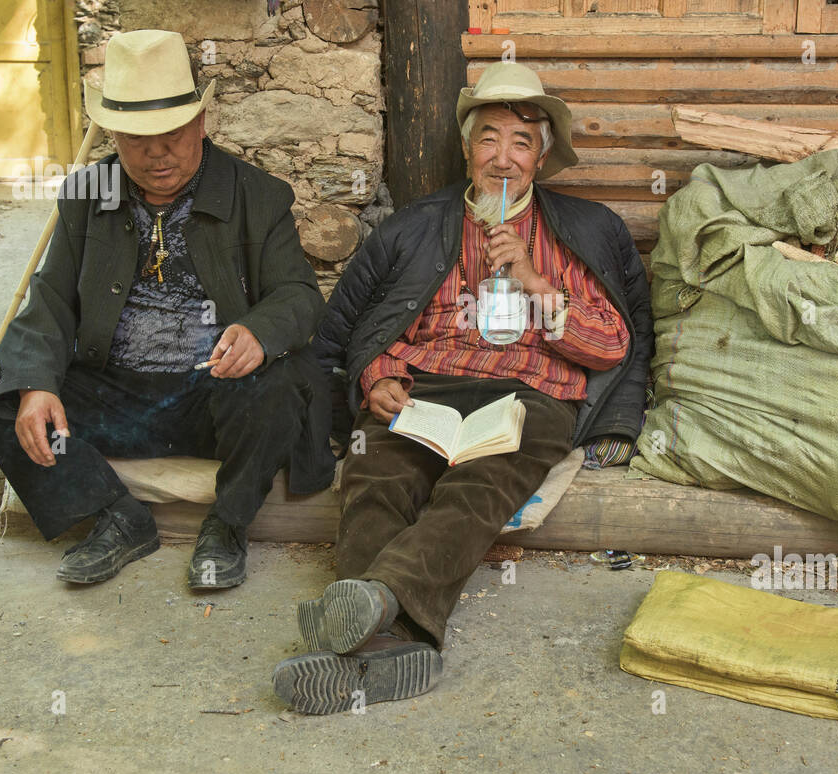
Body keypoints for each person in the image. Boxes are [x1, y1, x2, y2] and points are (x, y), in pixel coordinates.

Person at [272, 62, 653, 714]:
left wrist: (536, 283)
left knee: (478, 484)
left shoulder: (585, 231)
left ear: (541, 158)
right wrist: (380, 374)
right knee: (377, 475)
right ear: (468, 147)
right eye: (489, 139)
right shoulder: (418, 227)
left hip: (529, 393)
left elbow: (615, 343)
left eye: (521, 143)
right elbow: (375, 325)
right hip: (429, 385)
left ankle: (376, 606)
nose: (503, 159)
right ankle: (392, 640)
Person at [0, 29, 333, 589]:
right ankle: (116, 516)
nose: (157, 154)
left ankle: (226, 526)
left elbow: (300, 296)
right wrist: (35, 382)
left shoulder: (256, 195)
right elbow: (51, 300)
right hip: (115, 398)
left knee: (277, 386)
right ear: (113, 133)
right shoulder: (90, 193)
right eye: (136, 139)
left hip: (215, 401)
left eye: (173, 135)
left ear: (201, 124)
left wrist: (257, 331)